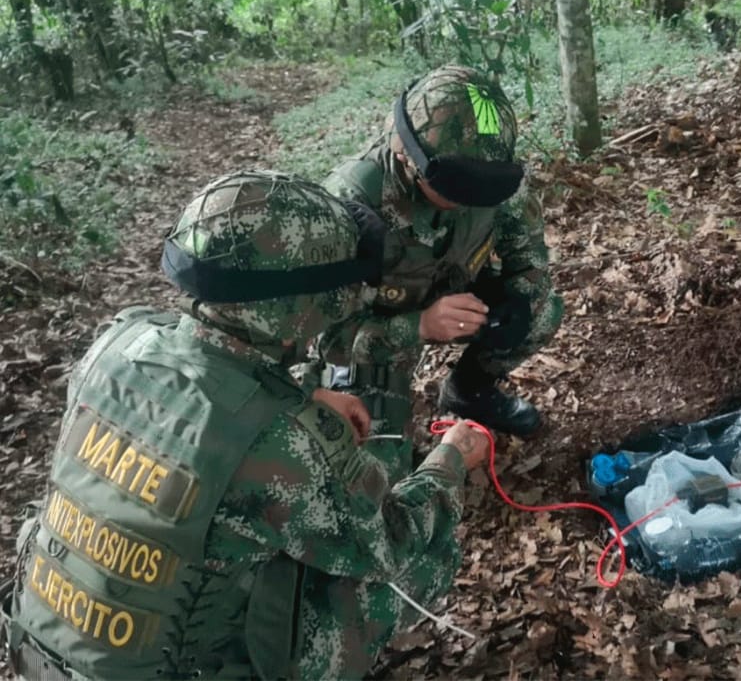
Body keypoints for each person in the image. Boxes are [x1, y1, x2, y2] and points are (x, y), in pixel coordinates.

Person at [0, 171, 489, 680]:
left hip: (40, 645)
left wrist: (303, 394)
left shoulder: (121, 340)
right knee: (404, 570)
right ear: (295, 308)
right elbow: (390, 541)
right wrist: (450, 458)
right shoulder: (282, 440)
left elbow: (204, 394)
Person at [321, 64, 563, 438]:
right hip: (379, 329)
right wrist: (418, 326)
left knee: (540, 310)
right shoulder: (351, 205)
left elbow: (529, 265)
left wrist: (515, 302)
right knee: (376, 449)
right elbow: (327, 337)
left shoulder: (492, 175)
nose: (472, 201)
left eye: (487, 187)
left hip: (453, 291)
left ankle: (468, 391)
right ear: (408, 158)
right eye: (459, 186)